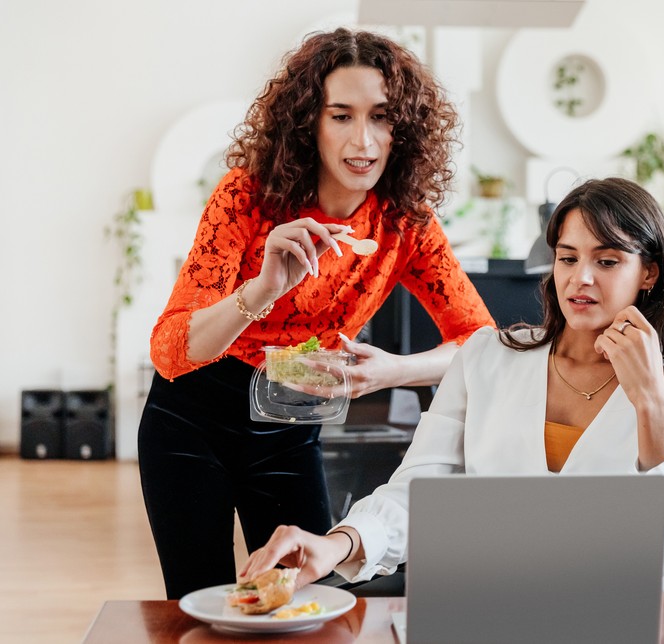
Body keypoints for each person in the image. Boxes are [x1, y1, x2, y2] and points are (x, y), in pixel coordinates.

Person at [138, 28, 495, 599]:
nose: (364, 141)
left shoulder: (406, 223)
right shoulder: (245, 196)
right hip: (190, 422)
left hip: (290, 422)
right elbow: (170, 349)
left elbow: (482, 343)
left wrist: (392, 371)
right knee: (198, 605)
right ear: (309, 123)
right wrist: (262, 290)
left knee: (307, 598)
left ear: (403, 128)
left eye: (381, 117)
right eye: (341, 116)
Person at [240, 177, 664, 593]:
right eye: (567, 258)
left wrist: (650, 401)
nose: (581, 278)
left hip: (627, 618)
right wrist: (338, 544)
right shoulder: (487, 356)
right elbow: (416, 492)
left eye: (607, 261)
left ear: (649, 273)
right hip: (492, 607)